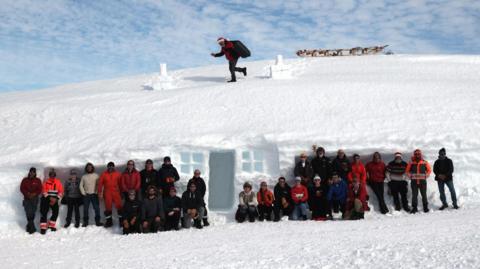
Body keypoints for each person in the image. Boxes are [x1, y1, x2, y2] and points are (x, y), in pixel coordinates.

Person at [98, 162, 123, 228]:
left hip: (116, 192)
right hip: (107, 192)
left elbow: (120, 184)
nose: (111, 168)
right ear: (107, 167)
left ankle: (121, 221)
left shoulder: (118, 174)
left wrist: (121, 192)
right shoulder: (104, 174)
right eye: (109, 167)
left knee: (119, 206)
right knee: (108, 207)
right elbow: (100, 184)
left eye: (112, 167)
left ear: (114, 167)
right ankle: (109, 222)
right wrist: (100, 192)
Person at [406, 149, 432, 213]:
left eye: (418, 154)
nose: (417, 155)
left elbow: (429, 170)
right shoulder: (411, 162)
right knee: (414, 195)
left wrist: (426, 175)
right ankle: (414, 208)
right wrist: (410, 176)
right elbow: (407, 171)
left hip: (422, 182)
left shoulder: (424, 162)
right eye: (416, 154)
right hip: (414, 182)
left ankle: (425, 207)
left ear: (420, 154)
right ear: (414, 155)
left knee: (424, 195)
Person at [39, 169, 64, 234]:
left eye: (53, 174)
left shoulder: (58, 182)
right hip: (46, 199)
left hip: (55, 199)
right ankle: (43, 228)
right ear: (49, 175)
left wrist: (56, 199)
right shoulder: (46, 182)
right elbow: (44, 191)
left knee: (56, 212)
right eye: (51, 174)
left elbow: (61, 192)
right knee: (43, 212)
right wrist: (50, 198)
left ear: (55, 175)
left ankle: (51, 226)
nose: (52, 176)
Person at [20, 167, 43, 234]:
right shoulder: (25, 180)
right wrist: (27, 193)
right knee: (28, 211)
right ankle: (32, 228)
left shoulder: (38, 180)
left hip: (35, 199)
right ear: (29, 172)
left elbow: (40, 189)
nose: (32, 173)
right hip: (27, 198)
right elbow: (22, 188)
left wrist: (34, 194)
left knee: (33, 212)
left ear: (35, 173)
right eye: (31, 172)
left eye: (33, 172)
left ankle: (29, 226)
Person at [80, 162, 102, 227]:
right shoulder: (84, 176)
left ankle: (98, 221)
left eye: (90, 167)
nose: (89, 168)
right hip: (86, 195)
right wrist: (83, 192)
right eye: (88, 167)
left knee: (97, 208)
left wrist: (97, 191)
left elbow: (99, 184)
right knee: (85, 209)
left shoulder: (96, 175)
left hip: (94, 194)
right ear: (86, 168)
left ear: (92, 168)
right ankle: (85, 222)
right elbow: (81, 185)